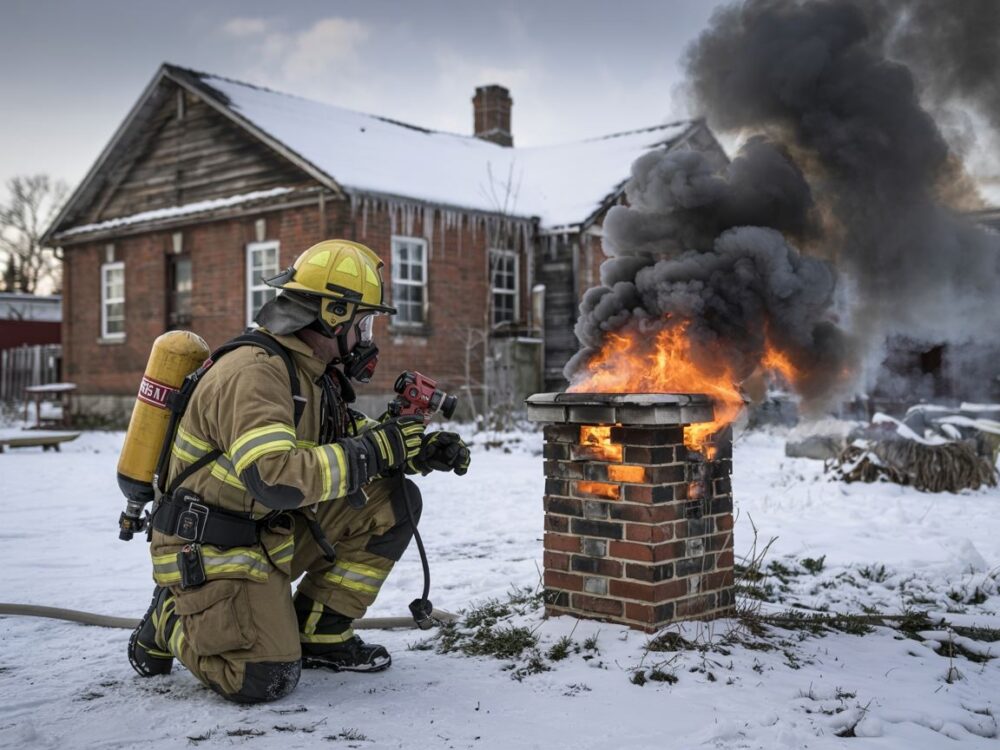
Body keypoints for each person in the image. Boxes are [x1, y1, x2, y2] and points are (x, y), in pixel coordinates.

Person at [127, 239, 470, 703]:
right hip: (210, 546)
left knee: (395, 499)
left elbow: (342, 434)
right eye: (363, 322)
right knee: (262, 677)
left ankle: (321, 633)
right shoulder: (256, 373)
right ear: (333, 315)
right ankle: (168, 619)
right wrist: (375, 450)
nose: (367, 337)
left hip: (265, 532)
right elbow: (275, 478)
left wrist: (415, 452)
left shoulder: (310, 372)